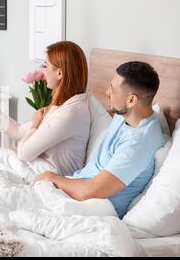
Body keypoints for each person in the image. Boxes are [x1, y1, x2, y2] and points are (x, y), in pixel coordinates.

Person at [35, 61, 167, 218]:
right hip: (76, 187)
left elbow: (90, 191)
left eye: (112, 89)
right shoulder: (126, 115)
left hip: (94, 208)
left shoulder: (138, 144)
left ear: (131, 100)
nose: (106, 92)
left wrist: (51, 177)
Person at [0, 41, 90, 176]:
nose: (42, 71)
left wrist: (35, 125)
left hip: (49, 177)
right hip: (39, 169)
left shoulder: (71, 113)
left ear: (59, 73)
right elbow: (18, 131)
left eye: (46, 66)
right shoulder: (62, 107)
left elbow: (24, 153)